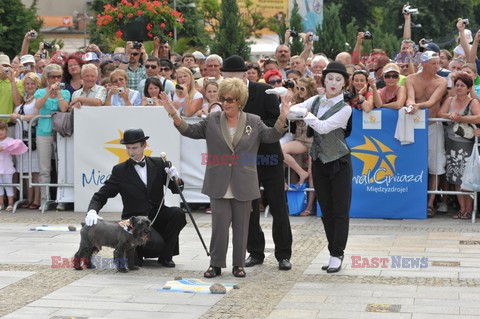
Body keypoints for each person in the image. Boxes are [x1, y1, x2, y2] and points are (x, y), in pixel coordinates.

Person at [160, 78, 290, 278]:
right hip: (218, 181)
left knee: (242, 227)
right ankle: (215, 264)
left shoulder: (253, 121)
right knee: (219, 226)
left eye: (231, 99)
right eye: (223, 99)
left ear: (240, 101)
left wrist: (282, 118)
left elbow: (271, 136)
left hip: (244, 182)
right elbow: (190, 131)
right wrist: (173, 113)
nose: (226, 103)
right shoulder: (212, 119)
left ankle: (238, 265)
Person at [219, 55, 293, 271]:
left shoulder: (263, 91)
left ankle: (283, 254)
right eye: (227, 76)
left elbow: (277, 122)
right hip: (242, 161)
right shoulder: (224, 97)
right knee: (247, 208)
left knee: (278, 205)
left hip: (267, 155)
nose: (230, 80)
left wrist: (251, 129)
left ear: (245, 74)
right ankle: (255, 252)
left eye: (234, 76)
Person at [286, 62, 353, 273]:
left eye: (338, 79)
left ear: (344, 84)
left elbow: (323, 128)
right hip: (319, 162)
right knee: (326, 211)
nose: (333, 83)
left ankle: (337, 253)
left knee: (340, 211)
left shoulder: (345, 108)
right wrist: (291, 105)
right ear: (323, 80)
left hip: (339, 162)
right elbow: (291, 112)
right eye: (330, 78)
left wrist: (306, 115)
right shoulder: (316, 100)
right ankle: (332, 250)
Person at [86, 128, 187, 267]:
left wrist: (175, 177)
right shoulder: (120, 171)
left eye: (134, 148)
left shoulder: (158, 164)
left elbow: (177, 190)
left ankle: (166, 256)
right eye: (128, 148)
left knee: (178, 214)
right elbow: (102, 195)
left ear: (144, 145)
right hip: (135, 221)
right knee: (156, 245)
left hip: (156, 214)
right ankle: (137, 251)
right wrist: (92, 210)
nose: (131, 152)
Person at [406, 51, 448, 218]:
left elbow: (432, 102)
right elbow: (410, 97)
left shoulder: (442, 81)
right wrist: (410, 105)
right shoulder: (411, 79)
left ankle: (430, 203)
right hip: (415, 126)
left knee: (436, 165)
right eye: (433, 64)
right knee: (412, 163)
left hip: (432, 124)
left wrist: (416, 105)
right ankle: (413, 199)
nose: (437, 66)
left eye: (438, 63)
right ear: (423, 64)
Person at [437, 74, 480, 220]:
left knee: (467, 177)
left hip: (467, 144)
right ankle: (463, 209)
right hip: (451, 142)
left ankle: (469, 209)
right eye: (457, 85)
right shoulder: (449, 100)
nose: (459, 88)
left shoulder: (473, 102)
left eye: (462, 85)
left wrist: (461, 118)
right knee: (455, 177)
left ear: (468, 88)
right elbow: (439, 113)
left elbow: (479, 117)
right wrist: (450, 115)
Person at [34, 63, 70, 208]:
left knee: (61, 167)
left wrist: (59, 92)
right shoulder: (40, 92)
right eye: (52, 77)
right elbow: (38, 105)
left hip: (60, 133)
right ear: (47, 78)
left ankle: (61, 199)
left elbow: (64, 108)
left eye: (58, 76)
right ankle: (45, 199)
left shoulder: (66, 92)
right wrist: (49, 92)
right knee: (45, 168)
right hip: (43, 131)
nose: (56, 79)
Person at [281, 77, 316, 216]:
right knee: (281, 151)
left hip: (314, 141)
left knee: (312, 174)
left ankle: (309, 206)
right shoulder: (297, 102)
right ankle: (301, 174)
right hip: (301, 139)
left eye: (302, 88)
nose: (300, 91)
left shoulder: (315, 101)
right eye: (298, 88)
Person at [11, 72, 41, 209]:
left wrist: (21, 117)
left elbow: (37, 114)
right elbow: (17, 105)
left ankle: (37, 199)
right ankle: (28, 198)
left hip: (32, 138)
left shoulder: (37, 98)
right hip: (21, 137)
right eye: (27, 84)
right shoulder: (24, 98)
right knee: (25, 169)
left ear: (37, 85)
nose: (30, 86)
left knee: (35, 169)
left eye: (32, 83)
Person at [0, 120, 27, 211]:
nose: (1, 132)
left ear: (6, 130)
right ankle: (1, 203)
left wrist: (5, 147)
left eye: (2, 130)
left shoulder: (10, 140)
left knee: (8, 185)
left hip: (7, 167)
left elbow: (16, 146)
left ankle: (10, 203)